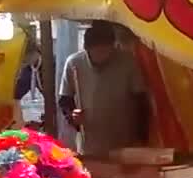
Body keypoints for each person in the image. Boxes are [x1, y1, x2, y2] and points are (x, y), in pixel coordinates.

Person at [57, 22, 148, 157]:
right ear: (87, 49)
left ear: (113, 46)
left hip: (124, 139)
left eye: (106, 50)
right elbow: (65, 100)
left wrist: (141, 136)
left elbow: (141, 101)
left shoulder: (127, 62)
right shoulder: (74, 64)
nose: (102, 55)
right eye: (97, 51)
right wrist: (72, 116)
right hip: (89, 141)